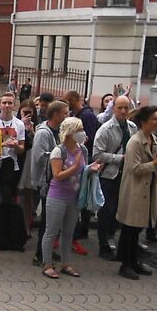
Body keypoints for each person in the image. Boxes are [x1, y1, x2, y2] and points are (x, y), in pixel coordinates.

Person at [114, 106, 157, 280]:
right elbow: (135, 168)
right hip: (135, 191)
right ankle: (125, 264)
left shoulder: (152, 138)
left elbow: (154, 163)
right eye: (154, 119)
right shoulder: (135, 142)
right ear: (144, 122)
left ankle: (134, 261)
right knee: (129, 229)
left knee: (137, 228)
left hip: (148, 189)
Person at [40, 117, 96, 279]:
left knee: (68, 232)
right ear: (70, 133)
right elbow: (57, 176)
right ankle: (47, 264)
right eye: (79, 130)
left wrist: (91, 169)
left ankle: (66, 263)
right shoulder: (59, 151)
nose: (83, 133)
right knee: (51, 231)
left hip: (75, 196)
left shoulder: (82, 150)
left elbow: (83, 170)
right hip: (57, 196)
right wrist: (75, 167)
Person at [92, 96, 136, 259]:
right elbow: (97, 154)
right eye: (120, 108)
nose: (124, 111)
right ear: (114, 108)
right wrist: (119, 158)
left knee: (120, 209)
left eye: (126, 108)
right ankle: (103, 244)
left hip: (127, 175)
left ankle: (111, 238)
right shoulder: (105, 129)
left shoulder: (132, 127)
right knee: (107, 210)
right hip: (109, 175)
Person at [24, 100, 68, 260]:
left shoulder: (60, 131)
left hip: (56, 181)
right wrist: (62, 158)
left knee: (53, 219)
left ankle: (47, 250)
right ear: (56, 115)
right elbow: (40, 157)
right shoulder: (44, 132)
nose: (67, 116)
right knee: (47, 221)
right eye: (65, 113)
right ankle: (40, 254)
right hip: (46, 181)